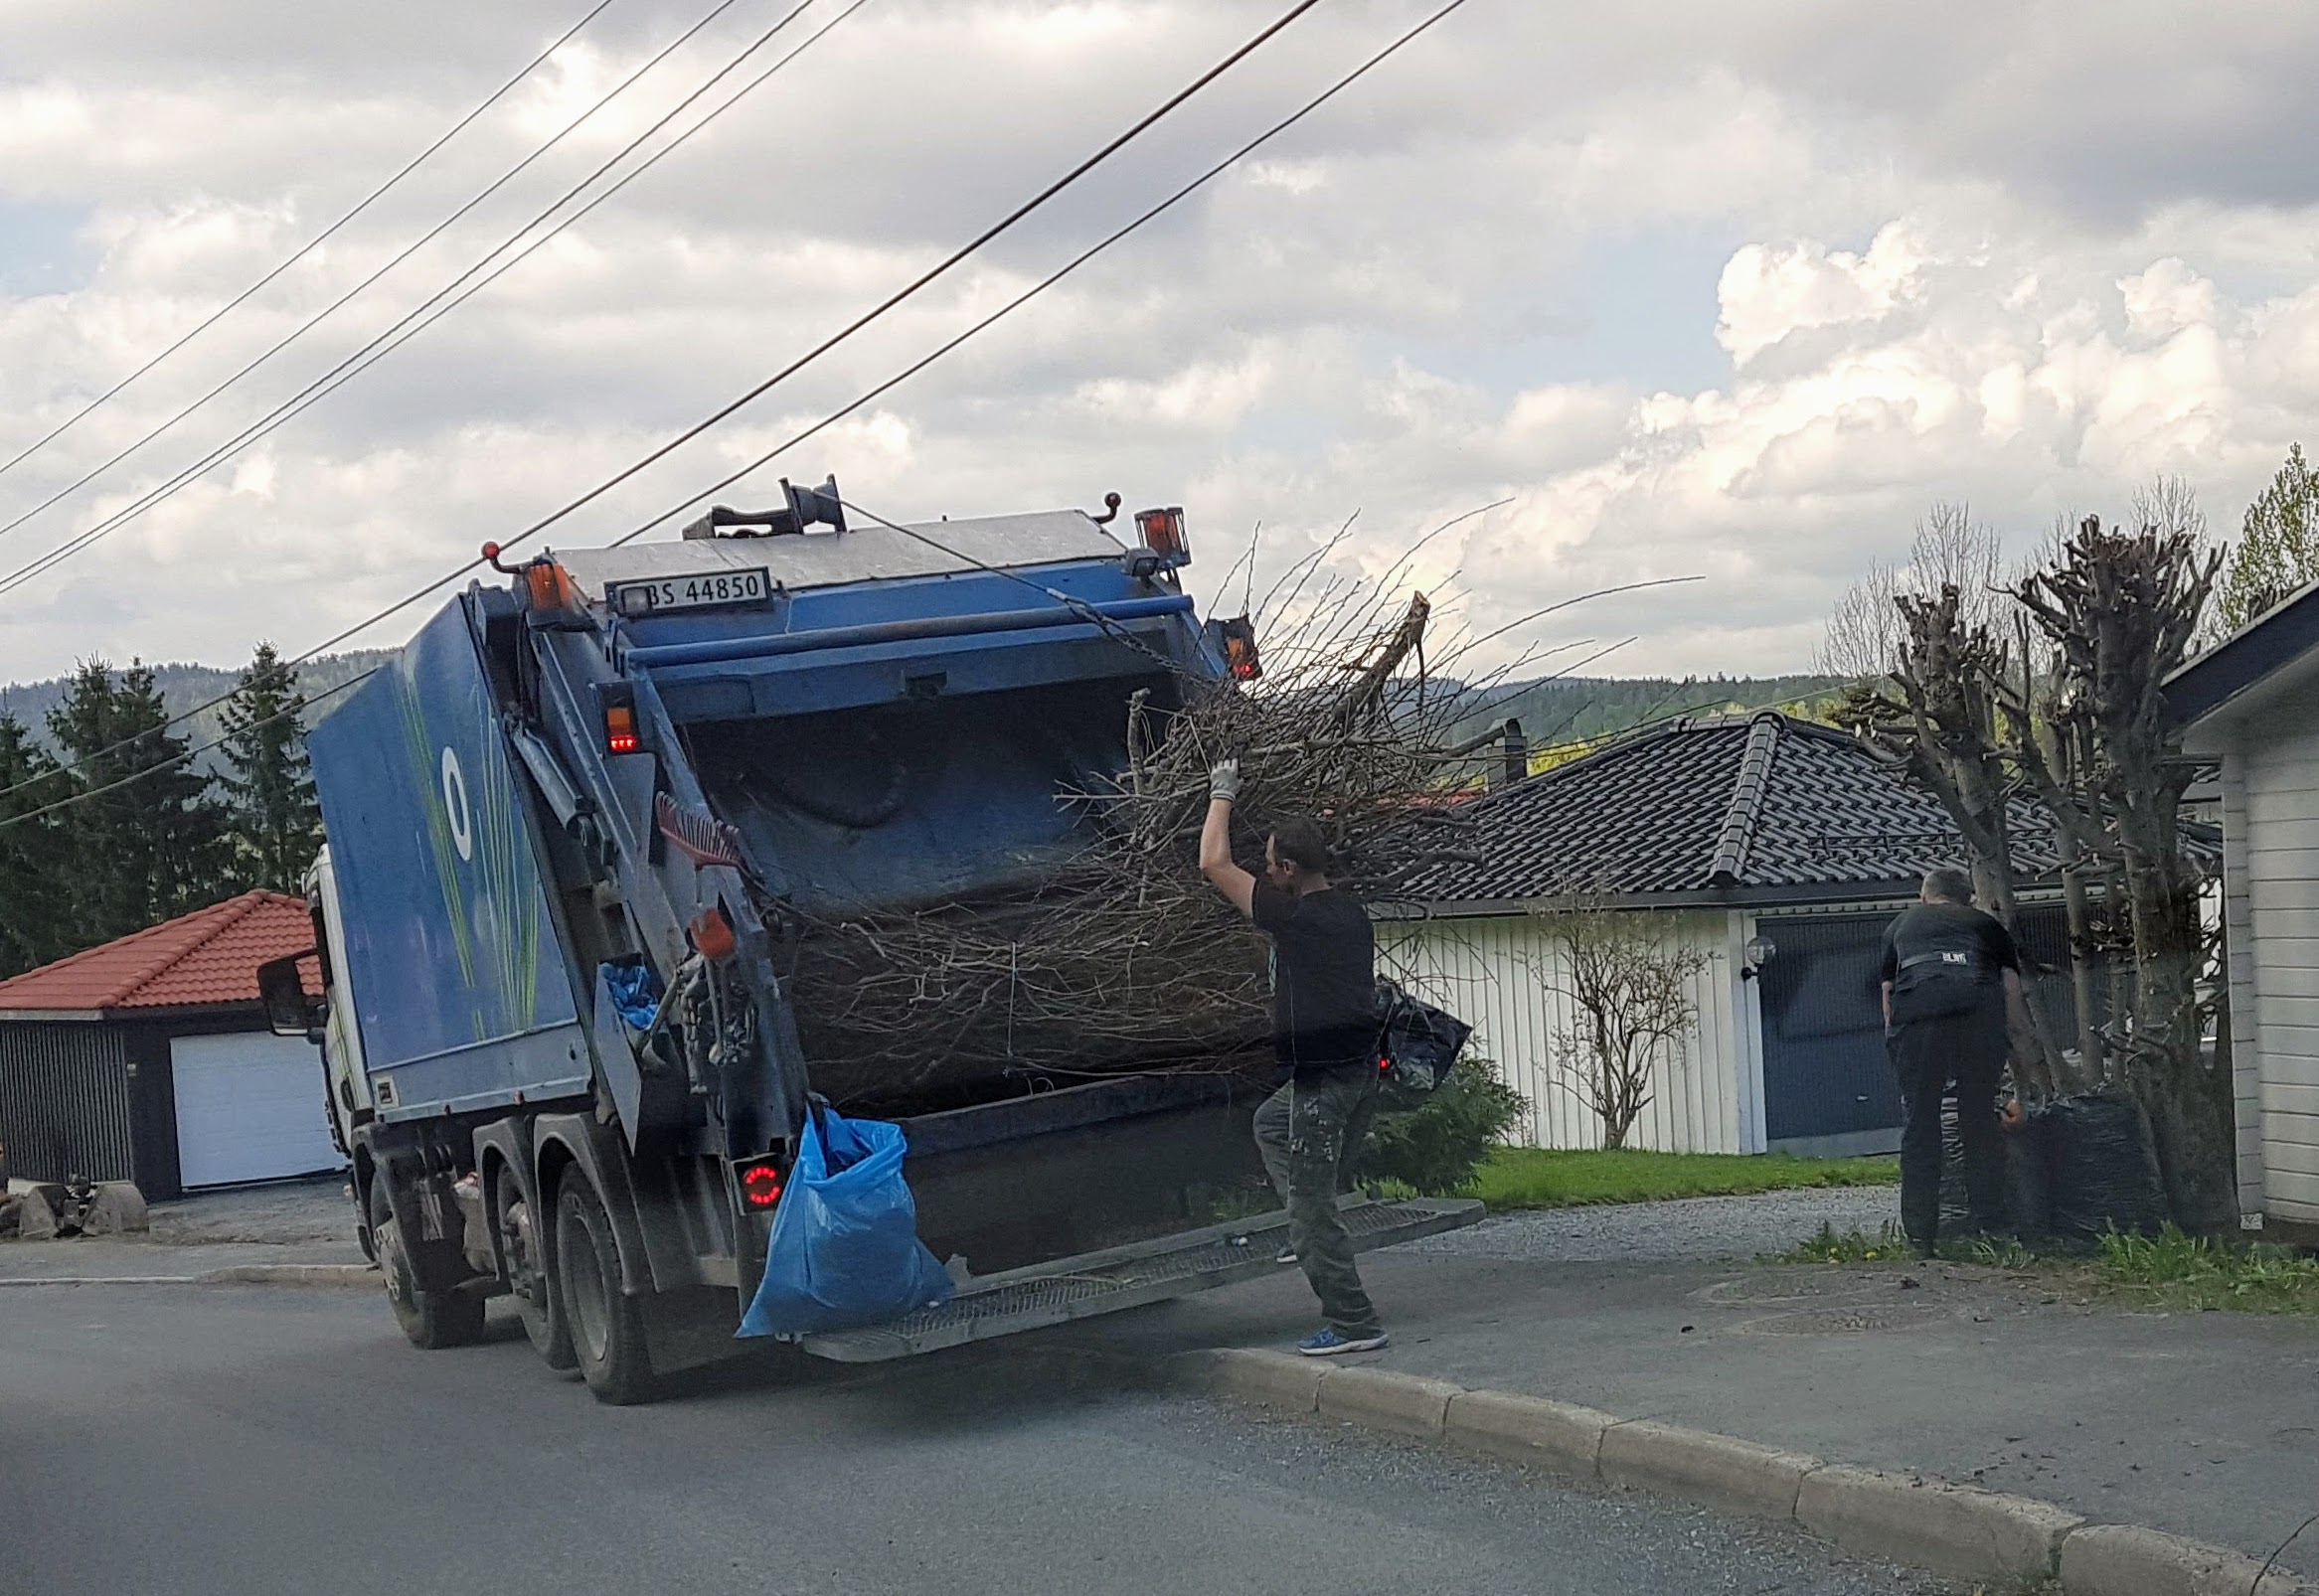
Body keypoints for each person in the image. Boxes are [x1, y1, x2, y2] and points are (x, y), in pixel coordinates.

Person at [1199, 757, 1387, 1357]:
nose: (1263, 870)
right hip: (1357, 1072)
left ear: (1289, 869)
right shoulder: (1348, 912)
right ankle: (1305, 1224)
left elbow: (1212, 863)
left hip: (1324, 1082)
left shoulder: (1296, 918)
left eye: (1271, 863)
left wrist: (1221, 792)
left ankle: (1355, 1323)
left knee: (1312, 1212)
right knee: (1268, 1124)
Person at [1879, 867, 2034, 1256]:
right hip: (1977, 1011)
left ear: (1925, 897)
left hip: (1919, 1013)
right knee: (1979, 1118)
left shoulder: (1901, 925)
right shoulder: (1987, 925)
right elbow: (2012, 994)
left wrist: (1898, 1045)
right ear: (1969, 900)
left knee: (1921, 1123)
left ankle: (1921, 1237)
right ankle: (1991, 1226)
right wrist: (2019, 1059)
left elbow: (1888, 993)